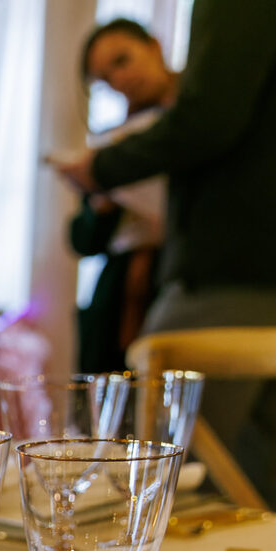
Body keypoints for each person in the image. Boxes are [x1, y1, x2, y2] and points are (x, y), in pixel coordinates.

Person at [53, 0, 276, 515]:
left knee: (150, 470)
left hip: (239, 256)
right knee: (262, 466)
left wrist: (102, 168)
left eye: (122, 61)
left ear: (154, 47)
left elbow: (211, 117)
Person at [70, 19, 175, 374]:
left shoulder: (194, 126)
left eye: (122, 60)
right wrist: (100, 201)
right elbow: (82, 240)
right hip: (119, 293)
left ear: (153, 46)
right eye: (106, 78)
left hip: (176, 280)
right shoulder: (113, 144)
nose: (120, 79)